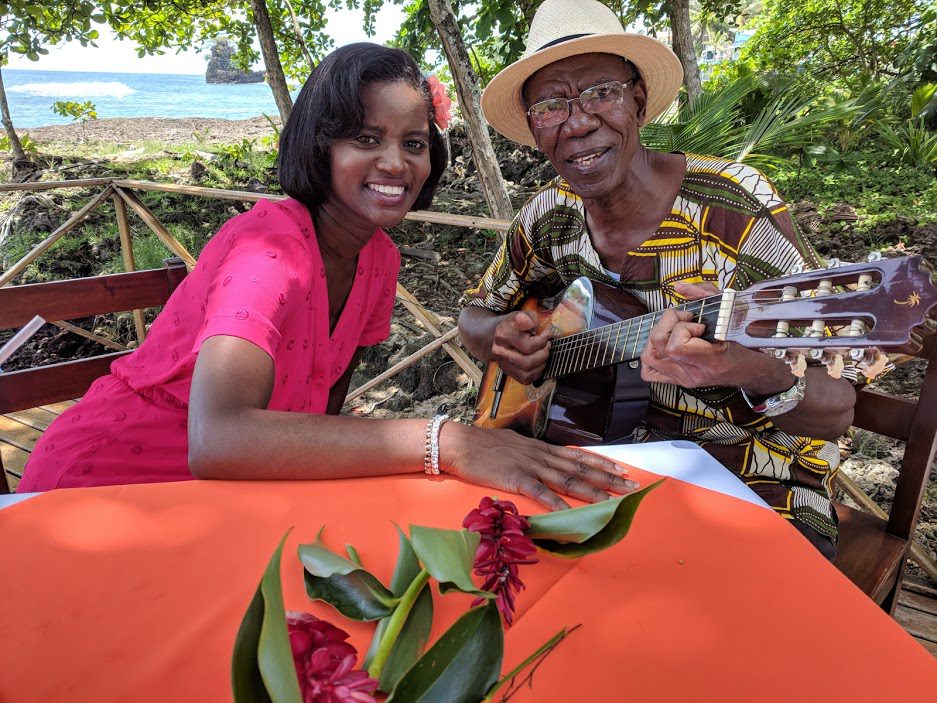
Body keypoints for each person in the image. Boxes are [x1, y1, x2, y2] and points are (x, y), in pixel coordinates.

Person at [19, 43, 636, 510]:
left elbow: (326, 412)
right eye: (366, 138)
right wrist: (443, 441)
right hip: (101, 492)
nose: (395, 162)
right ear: (320, 145)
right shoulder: (266, 249)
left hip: (226, 501)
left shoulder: (377, 260)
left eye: (415, 143)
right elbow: (220, 438)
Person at [458, 0, 857, 558]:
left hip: (753, 483)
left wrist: (742, 365)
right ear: (534, 128)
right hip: (593, 460)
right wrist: (499, 338)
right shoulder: (549, 214)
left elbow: (837, 407)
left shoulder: (734, 208)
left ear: (638, 100)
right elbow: (472, 314)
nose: (577, 122)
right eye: (550, 106)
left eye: (600, 92)